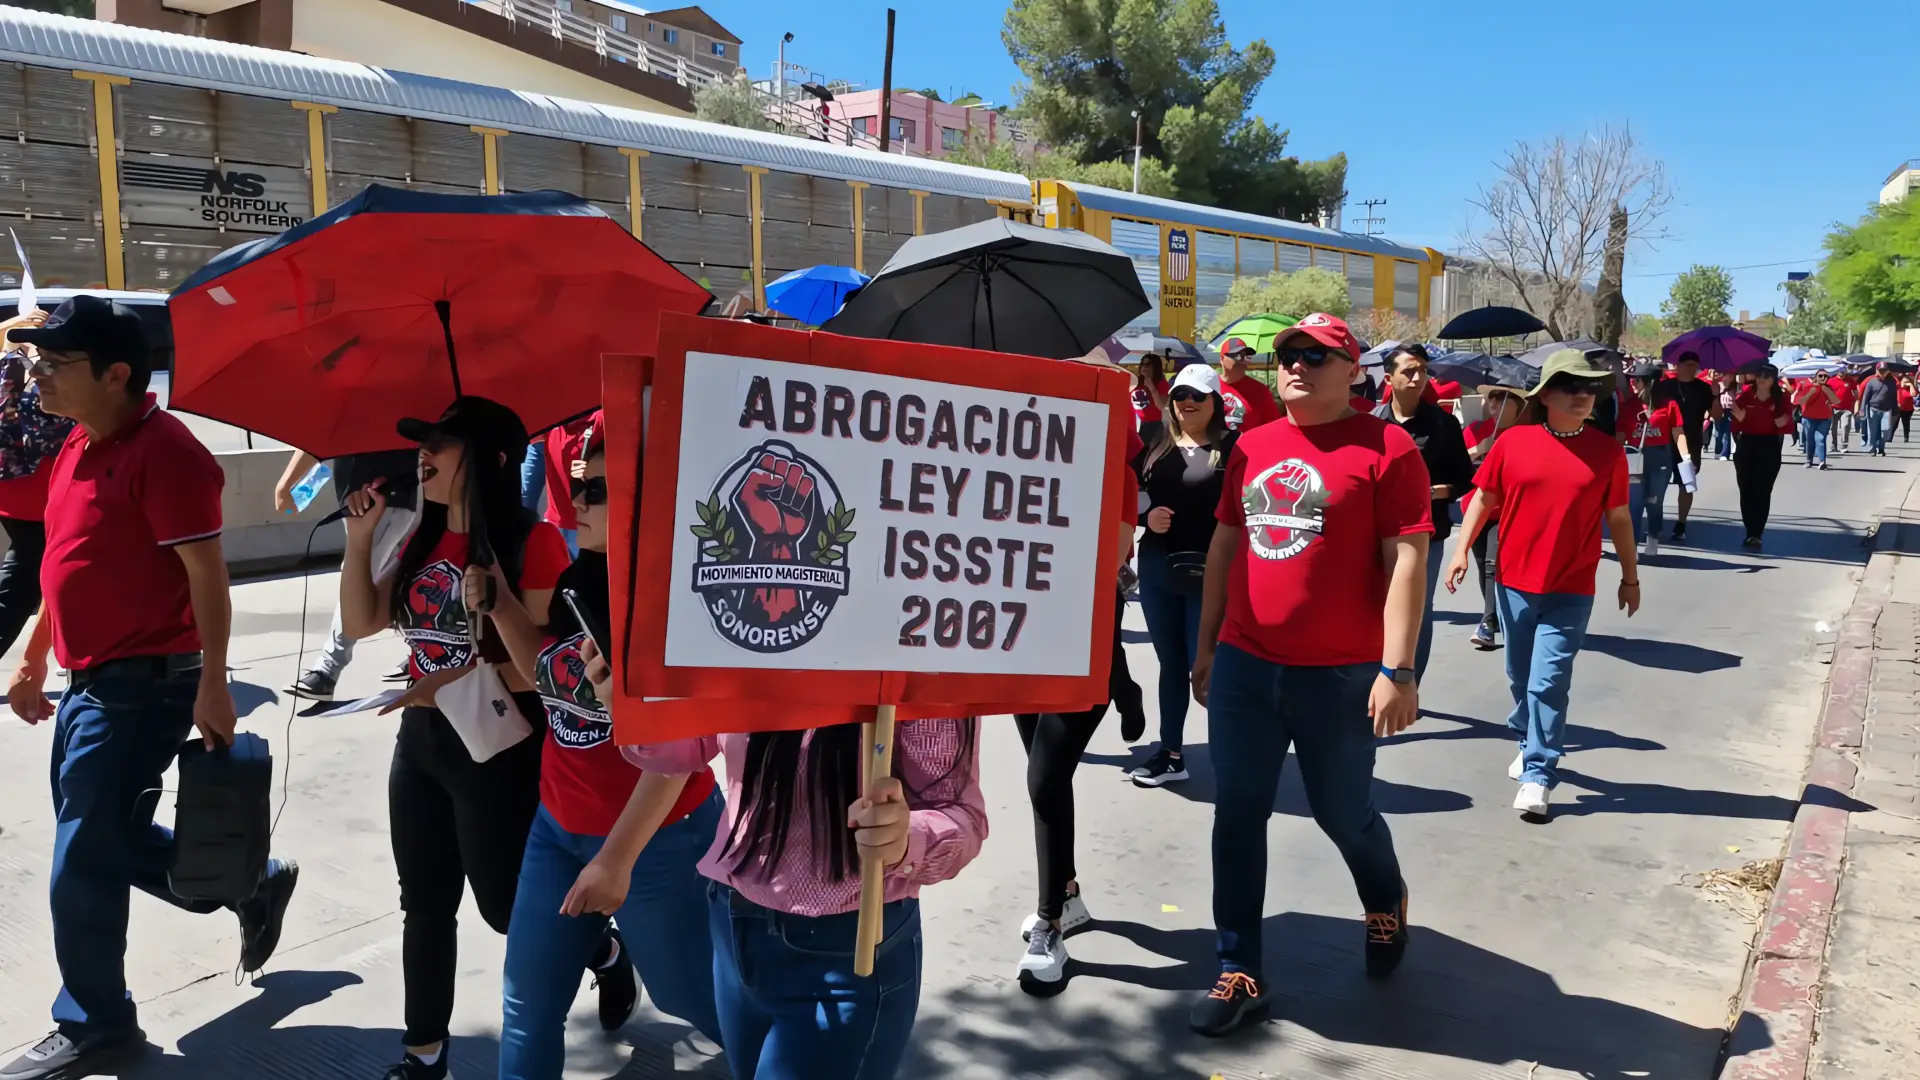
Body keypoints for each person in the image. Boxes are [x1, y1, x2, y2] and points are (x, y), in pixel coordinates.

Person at [1, 296, 299, 1080]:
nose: (36, 378)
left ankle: (96, 1020)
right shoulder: (79, 444)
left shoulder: (167, 453)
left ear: (116, 373)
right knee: (106, 839)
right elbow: (60, 565)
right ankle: (251, 884)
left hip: (143, 688)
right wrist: (35, 656)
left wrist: (215, 685)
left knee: (82, 859)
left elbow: (209, 576)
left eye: (53, 364)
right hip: (88, 679)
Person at [1186, 313, 1428, 1036]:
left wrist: (1399, 669)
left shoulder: (1389, 449)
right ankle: (1239, 967)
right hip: (1246, 666)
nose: (1296, 364)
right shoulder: (1252, 446)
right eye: (1288, 355)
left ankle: (1385, 900)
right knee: (1237, 813)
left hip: (1343, 676)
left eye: (1316, 356)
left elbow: (1406, 561)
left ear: (1354, 371)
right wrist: (1206, 648)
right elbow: (1227, 546)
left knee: (1341, 813)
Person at [335, 397, 578, 1080]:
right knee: (425, 902)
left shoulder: (535, 544)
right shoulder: (419, 534)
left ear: (493, 462)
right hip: (422, 741)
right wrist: (360, 540)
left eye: (441, 446)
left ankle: (604, 952)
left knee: (504, 908)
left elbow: (540, 674)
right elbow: (361, 623)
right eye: (423, 444)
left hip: (498, 748)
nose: (424, 456)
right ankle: (423, 1053)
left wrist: (489, 609)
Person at [476, 428, 725, 1077]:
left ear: (648, 502)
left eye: (596, 490)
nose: (575, 500)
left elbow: (681, 755)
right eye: (579, 483)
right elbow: (550, 679)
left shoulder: (681, 602)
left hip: (659, 841)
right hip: (557, 829)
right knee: (527, 1005)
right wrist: (502, 605)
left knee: (707, 1005)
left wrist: (617, 861)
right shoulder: (578, 577)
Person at [614, 712, 984, 1079]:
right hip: (732, 921)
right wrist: (632, 705)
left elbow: (959, 814)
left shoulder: (913, 664)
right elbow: (685, 747)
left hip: (849, 947)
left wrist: (905, 838)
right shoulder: (735, 652)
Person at [1447, 348, 1638, 820]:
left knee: (1548, 681)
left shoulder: (1608, 452)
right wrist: (1458, 553)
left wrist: (1630, 577)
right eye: (1572, 386)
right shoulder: (1514, 443)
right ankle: (1527, 734)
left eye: (1590, 388)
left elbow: (1619, 517)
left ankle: (1538, 773)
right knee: (1520, 677)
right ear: (1546, 394)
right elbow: (1483, 500)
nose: (1583, 395)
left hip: (1572, 588)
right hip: (1513, 582)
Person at [1128, 363, 1235, 787]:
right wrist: (1144, 514)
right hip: (1157, 568)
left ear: (1215, 403)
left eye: (1197, 395)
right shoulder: (1155, 441)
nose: (1187, 402)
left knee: (1205, 665)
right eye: (1179, 395)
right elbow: (1129, 491)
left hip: (1211, 572)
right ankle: (1171, 753)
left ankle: (1233, 755)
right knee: (1170, 663)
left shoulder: (1234, 448)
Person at [277, 447, 422, 699]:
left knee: (359, 580)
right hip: (381, 494)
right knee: (403, 577)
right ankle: (422, 649)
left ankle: (327, 670)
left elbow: (325, 433)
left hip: (379, 497)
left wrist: (288, 483)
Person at [1373, 344, 1473, 681]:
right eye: (1409, 371)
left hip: (1427, 530)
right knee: (1374, 604)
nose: (1418, 378)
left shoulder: (1443, 424)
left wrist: (1441, 491)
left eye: (1423, 371)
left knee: (1417, 607)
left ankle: (1408, 680)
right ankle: (1373, 675)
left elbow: (1464, 477)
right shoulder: (1372, 423)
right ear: (1389, 378)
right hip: (1375, 530)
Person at [0, 310, 68, 662]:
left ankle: (68, 647)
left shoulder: (13, 368)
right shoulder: (31, 373)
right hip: (37, 493)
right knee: (24, 579)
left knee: (43, 574)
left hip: (18, 491)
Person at [1462, 377, 1527, 650]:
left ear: (1517, 404)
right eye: (1492, 397)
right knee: (1482, 564)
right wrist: (1481, 448)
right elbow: (1458, 462)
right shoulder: (1477, 430)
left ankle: (1488, 622)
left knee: (1492, 563)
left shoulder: (1525, 434)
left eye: (1502, 398)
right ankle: (1494, 615)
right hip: (1476, 509)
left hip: (1508, 510)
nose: (1495, 403)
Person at [1621, 363, 1692, 557]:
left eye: (1636, 379)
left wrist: (1686, 457)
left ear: (1649, 381)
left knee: (1654, 501)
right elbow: (1620, 436)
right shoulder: (1629, 406)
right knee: (1634, 504)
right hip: (1634, 457)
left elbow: (1678, 433)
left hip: (1660, 458)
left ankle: (1653, 536)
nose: (1632, 383)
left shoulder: (1669, 405)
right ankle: (1632, 545)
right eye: (1631, 379)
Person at [1650, 352, 1718, 542]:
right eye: (1687, 364)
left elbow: (1717, 415)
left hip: (1691, 443)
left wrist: (1716, 394)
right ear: (1678, 366)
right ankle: (1655, 523)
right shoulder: (1663, 387)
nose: (1690, 368)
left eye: (1694, 365)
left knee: (1686, 484)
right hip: (1662, 442)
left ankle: (1681, 523)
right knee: (1657, 485)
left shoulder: (1704, 388)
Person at [1730, 364, 1795, 549]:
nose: (1762, 379)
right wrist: (1740, 420)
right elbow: (1735, 425)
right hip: (1746, 444)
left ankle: (1756, 533)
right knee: (1746, 489)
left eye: (1766, 376)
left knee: (1762, 490)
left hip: (1769, 446)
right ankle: (1749, 530)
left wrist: (1780, 423)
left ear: (1773, 379)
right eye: (1759, 375)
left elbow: (1787, 426)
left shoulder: (1782, 398)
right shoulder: (1745, 395)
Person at [1216, 337, 1282, 432]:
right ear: (1222, 359)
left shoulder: (1260, 392)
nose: (1242, 360)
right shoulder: (1210, 386)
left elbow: (1272, 426)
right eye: (1237, 356)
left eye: (1246, 356)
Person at [1792, 370, 1838, 470]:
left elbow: (1835, 401)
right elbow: (1800, 401)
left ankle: (1822, 462)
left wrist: (1826, 391)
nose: (1823, 378)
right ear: (1816, 377)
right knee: (1810, 440)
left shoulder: (1829, 388)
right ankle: (1809, 460)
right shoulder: (1808, 386)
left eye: (1826, 376)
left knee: (1820, 439)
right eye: (1820, 376)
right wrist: (1811, 393)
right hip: (1809, 417)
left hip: (1824, 417)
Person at [1859, 363, 1899, 457]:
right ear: (1876, 370)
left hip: (1887, 410)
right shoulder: (1871, 382)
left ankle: (1881, 447)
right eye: (1880, 370)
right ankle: (1872, 449)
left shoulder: (1892, 382)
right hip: (1873, 409)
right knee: (1872, 431)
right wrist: (1862, 409)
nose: (1882, 372)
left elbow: (1894, 397)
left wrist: (1896, 410)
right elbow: (1865, 397)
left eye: (1884, 370)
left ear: (1888, 371)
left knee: (1885, 431)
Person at [1830, 371, 1857, 454]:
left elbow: (1856, 393)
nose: (1842, 373)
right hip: (1833, 408)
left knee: (1845, 426)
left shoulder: (1850, 381)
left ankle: (1844, 446)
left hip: (1846, 408)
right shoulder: (1830, 381)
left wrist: (1855, 401)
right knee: (1833, 428)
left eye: (1843, 371)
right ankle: (1833, 446)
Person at [1712, 372, 1737, 460]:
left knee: (1727, 432)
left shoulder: (1736, 385)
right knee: (1718, 432)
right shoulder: (1718, 383)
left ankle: (1724, 453)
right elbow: (1714, 394)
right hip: (1719, 409)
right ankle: (1718, 451)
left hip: (1731, 409)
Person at [1900, 376, 1916, 442]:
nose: (1906, 383)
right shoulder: (1898, 387)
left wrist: (1911, 385)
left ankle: (1906, 437)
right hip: (1898, 408)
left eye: (1907, 382)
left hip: (1907, 410)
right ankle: (1889, 437)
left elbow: (1913, 394)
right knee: (1893, 424)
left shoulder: (1910, 388)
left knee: (1906, 424)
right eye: (1905, 382)